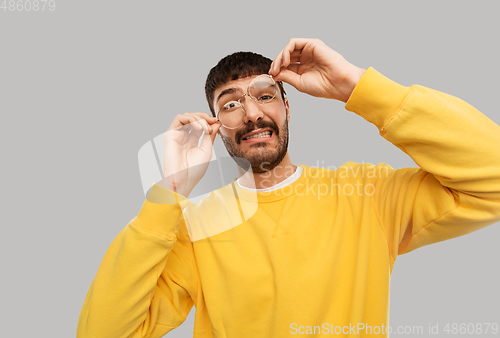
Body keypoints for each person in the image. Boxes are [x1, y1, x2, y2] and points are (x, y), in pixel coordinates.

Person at [77, 38, 500, 337]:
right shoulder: (195, 225)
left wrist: (358, 87)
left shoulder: (367, 193)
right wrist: (168, 192)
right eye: (230, 104)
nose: (251, 114)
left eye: (265, 95)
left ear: (287, 108)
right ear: (217, 128)